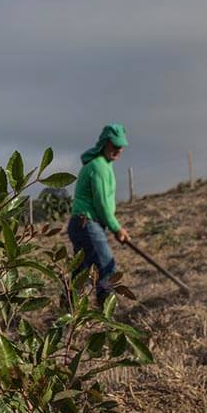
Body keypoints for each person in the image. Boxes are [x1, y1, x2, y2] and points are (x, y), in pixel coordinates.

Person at [67, 123, 130, 304]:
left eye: (121, 146)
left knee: (82, 272)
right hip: (87, 223)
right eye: (115, 145)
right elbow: (102, 204)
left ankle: (67, 310)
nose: (118, 149)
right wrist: (117, 229)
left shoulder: (104, 165)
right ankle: (105, 314)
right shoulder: (99, 167)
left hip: (81, 224)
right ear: (104, 143)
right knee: (107, 268)